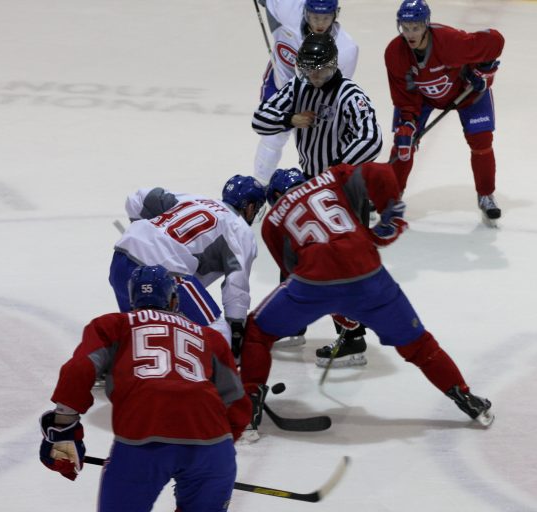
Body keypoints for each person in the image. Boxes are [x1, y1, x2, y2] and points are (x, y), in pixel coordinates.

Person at [237, 164, 494, 441]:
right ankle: (466, 397)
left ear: (275, 195)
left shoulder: (273, 220)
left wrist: (336, 308)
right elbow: (382, 173)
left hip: (315, 282)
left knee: (257, 332)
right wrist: (390, 218)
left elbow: (292, 274)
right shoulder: (330, 177)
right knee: (419, 344)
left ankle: (248, 410)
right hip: (368, 274)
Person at [39, 265, 252, 511]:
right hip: (212, 446)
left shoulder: (113, 325)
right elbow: (238, 404)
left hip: (143, 441)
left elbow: (78, 369)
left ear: (132, 300)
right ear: (174, 299)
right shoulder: (209, 337)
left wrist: (64, 428)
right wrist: (216, 451)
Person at [253, 32, 383, 356]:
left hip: (345, 191)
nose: (314, 77)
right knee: (295, 251)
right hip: (310, 186)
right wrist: (289, 118)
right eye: (309, 70)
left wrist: (336, 171)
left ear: (334, 65)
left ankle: (352, 337)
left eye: (320, 71)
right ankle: (292, 320)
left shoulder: (350, 94)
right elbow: (261, 119)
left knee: (341, 264)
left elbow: (372, 141)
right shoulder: (299, 88)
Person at [109, 175, 265, 357]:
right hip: (168, 275)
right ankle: (216, 382)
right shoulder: (240, 229)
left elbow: (137, 199)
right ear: (251, 207)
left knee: (140, 330)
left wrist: (148, 238)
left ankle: (123, 369)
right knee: (219, 334)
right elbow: (236, 286)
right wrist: (236, 331)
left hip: (122, 259)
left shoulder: (192, 199)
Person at [384, 0, 505, 224]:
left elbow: (495, 40)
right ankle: (392, 196)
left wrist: (483, 71)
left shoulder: (450, 42)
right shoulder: (395, 52)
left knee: (482, 141)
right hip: (422, 98)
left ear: (426, 25)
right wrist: (408, 123)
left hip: (466, 94)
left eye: (416, 27)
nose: (410, 34)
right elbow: (403, 95)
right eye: (405, 27)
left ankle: (486, 195)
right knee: (403, 144)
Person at [254, 0, 359, 184]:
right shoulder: (288, 8)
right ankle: (260, 186)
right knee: (272, 137)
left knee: (319, 149)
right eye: (314, 17)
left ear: (336, 14)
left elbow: (335, 90)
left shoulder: (346, 49)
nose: (320, 24)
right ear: (304, 12)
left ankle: (327, 189)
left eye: (326, 18)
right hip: (280, 82)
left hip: (315, 97)